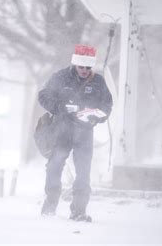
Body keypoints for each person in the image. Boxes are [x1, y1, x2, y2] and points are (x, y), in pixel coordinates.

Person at [38, 44, 113, 222]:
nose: (85, 71)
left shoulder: (99, 81)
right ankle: (50, 203)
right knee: (54, 167)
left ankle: (79, 211)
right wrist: (60, 108)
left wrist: (96, 117)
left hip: (85, 132)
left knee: (83, 172)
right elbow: (43, 95)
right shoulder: (60, 77)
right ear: (75, 64)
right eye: (82, 67)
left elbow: (107, 105)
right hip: (61, 131)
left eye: (88, 67)